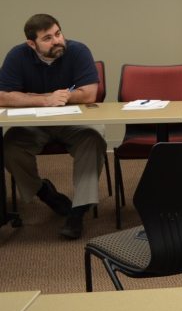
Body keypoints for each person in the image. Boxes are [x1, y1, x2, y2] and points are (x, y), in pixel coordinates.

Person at [0, 14, 105, 239]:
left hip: (74, 122)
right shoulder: (17, 56)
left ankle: (78, 211)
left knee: (93, 139)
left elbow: (89, 94)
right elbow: (3, 97)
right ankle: (44, 192)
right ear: (32, 44)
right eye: (47, 38)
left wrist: (30, 96)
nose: (57, 41)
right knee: (10, 146)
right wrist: (45, 99)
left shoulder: (78, 51)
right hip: (34, 124)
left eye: (58, 34)